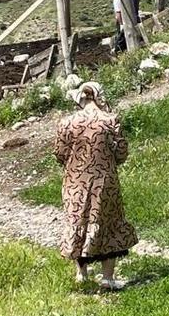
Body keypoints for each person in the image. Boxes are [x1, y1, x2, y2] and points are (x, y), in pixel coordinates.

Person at [54, 81, 137, 289]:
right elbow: (121, 152)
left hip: (75, 182)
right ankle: (107, 278)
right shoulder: (110, 120)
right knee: (106, 222)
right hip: (104, 182)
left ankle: (81, 274)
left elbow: (60, 154)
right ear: (99, 96)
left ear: (81, 98)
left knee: (78, 219)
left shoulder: (67, 123)